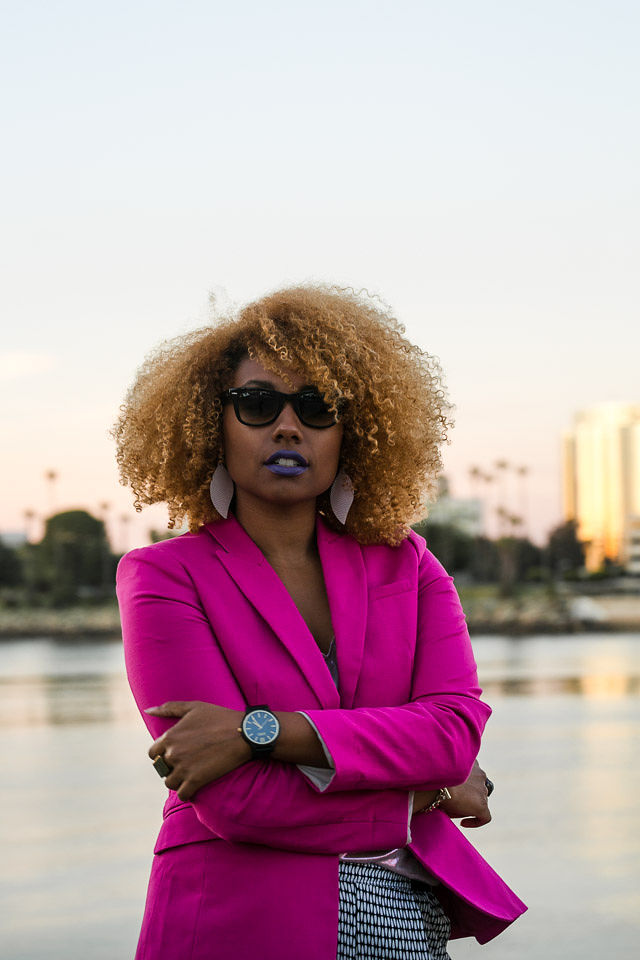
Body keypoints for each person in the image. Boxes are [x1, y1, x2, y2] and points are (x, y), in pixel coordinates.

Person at [113, 285, 526, 960]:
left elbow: (452, 736)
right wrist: (417, 796)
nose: (287, 426)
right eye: (257, 404)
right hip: (237, 926)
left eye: (316, 407)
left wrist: (258, 732)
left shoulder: (409, 565)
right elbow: (233, 802)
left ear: (349, 431)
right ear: (210, 421)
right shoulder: (164, 577)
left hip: (405, 927)